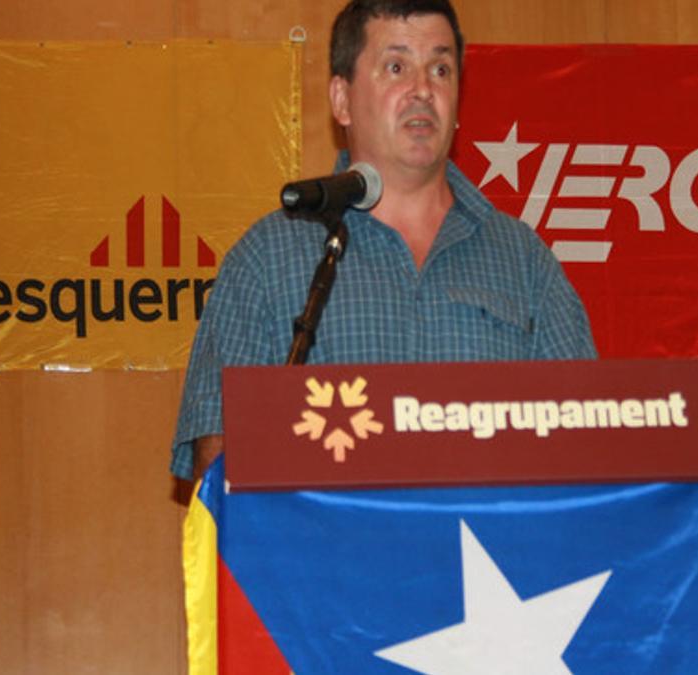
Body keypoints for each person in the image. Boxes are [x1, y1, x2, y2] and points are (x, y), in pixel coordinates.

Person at [170, 0, 596, 481]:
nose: (422, 90)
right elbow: (220, 465)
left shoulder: (524, 262)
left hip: (491, 552)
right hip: (329, 553)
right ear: (341, 100)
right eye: (396, 67)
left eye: (441, 69)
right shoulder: (271, 257)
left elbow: (585, 444)